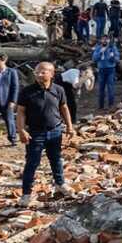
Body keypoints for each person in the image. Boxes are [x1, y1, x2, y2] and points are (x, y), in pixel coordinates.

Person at [16, 61, 75, 207]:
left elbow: (64, 108)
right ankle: (26, 194)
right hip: (35, 133)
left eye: (43, 72)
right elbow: (21, 112)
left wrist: (69, 126)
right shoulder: (27, 91)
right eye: (37, 72)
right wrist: (21, 130)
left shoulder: (59, 90)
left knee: (56, 160)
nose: (38, 74)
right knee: (32, 163)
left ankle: (60, 184)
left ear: (51, 73)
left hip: (55, 131)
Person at [0, 53, 18, 146]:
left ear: (4, 60)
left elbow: (15, 87)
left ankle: (13, 139)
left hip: (6, 101)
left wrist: (13, 101)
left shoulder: (11, 72)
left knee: (9, 120)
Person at [92, 35, 119, 110]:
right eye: (103, 39)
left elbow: (117, 59)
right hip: (101, 70)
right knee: (101, 88)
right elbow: (94, 59)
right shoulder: (98, 48)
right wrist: (100, 53)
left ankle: (111, 106)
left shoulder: (112, 48)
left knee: (110, 88)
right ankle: (100, 106)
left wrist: (112, 57)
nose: (104, 41)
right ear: (101, 40)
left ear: (109, 40)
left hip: (111, 70)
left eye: (106, 39)